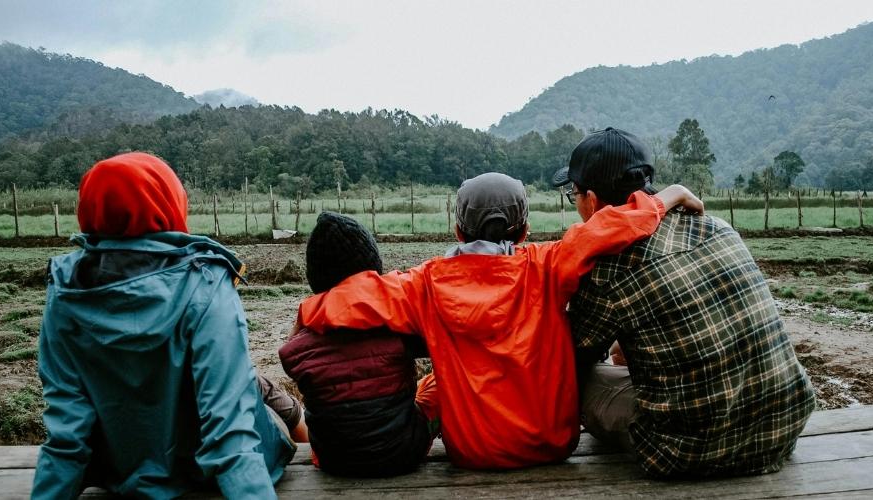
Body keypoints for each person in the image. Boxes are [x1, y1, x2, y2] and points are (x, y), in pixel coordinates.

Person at [297, 172, 703, 469]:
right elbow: (605, 229)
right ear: (523, 230)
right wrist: (669, 195)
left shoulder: (424, 284)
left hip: (473, 453)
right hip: (551, 445)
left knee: (434, 382)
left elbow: (355, 297)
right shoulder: (547, 266)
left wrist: (308, 312)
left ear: (458, 230)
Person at [32, 152, 300, 499]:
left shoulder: (65, 290)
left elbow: (66, 436)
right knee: (269, 413)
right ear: (172, 204)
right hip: (203, 474)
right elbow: (230, 432)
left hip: (123, 474)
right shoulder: (205, 282)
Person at [552, 127, 816, 478]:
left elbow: (572, 357)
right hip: (784, 427)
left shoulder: (608, 268)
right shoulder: (716, 226)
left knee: (582, 379)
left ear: (592, 200)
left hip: (686, 452)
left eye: (573, 194)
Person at [279, 212, 437, 477]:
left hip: (333, 461)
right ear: (372, 270)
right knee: (436, 384)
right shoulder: (395, 327)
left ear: (316, 279)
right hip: (402, 454)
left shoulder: (299, 346)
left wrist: (303, 320)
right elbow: (437, 346)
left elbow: (289, 352)